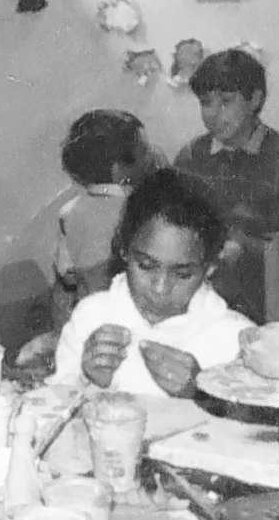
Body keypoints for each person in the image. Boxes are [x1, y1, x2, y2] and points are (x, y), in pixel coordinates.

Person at [50, 167, 254, 398]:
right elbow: (55, 408)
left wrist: (201, 394)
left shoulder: (235, 338)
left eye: (182, 274)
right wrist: (87, 380)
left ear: (209, 268)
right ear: (124, 250)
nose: (160, 288)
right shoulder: (92, 317)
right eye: (146, 266)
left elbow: (253, 427)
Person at [175, 48, 279, 322]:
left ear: (255, 99)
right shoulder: (190, 157)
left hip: (275, 301)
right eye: (205, 103)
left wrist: (247, 248)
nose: (213, 113)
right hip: (207, 301)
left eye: (226, 101)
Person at [15, 110, 157, 368]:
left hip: (87, 322)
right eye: (145, 151)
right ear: (120, 169)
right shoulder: (146, 210)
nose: (152, 156)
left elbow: (66, 272)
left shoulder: (70, 212)